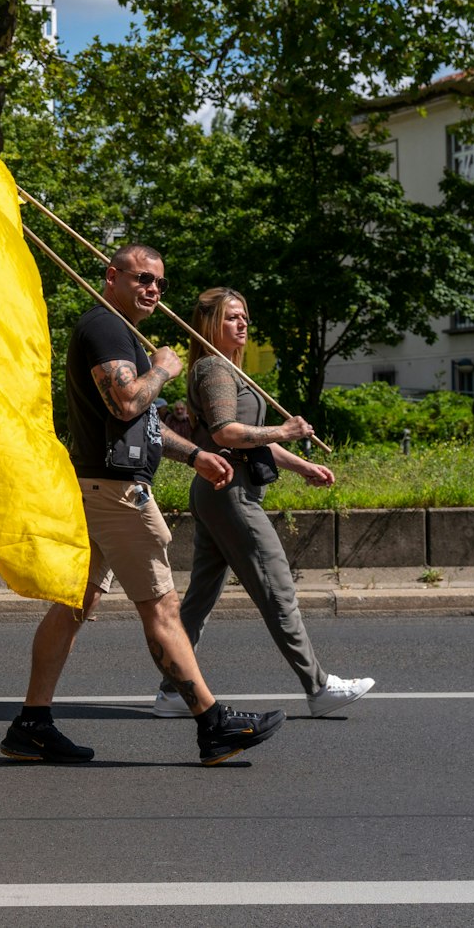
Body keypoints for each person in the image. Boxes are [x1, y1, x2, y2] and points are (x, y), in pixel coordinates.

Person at [0, 244, 287, 767]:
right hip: (113, 492)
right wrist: (163, 368)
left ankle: (31, 724)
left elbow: (141, 424)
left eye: (159, 282)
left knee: (73, 605)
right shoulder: (105, 328)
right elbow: (128, 400)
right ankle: (211, 724)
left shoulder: (119, 332)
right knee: (162, 605)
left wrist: (196, 454)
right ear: (112, 276)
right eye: (142, 279)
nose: (153, 289)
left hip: (97, 486)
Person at [154, 287, 375, 718]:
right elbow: (226, 435)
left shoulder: (224, 369)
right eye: (232, 317)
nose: (243, 324)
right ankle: (317, 686)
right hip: (231, 494)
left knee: (198, 599)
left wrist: (299, 465)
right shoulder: (216, 369)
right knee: (278, 589)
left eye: (246, 318)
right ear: (210, 324)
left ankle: (171, 691)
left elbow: (249, 439)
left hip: (219, 490)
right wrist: (285, 431)